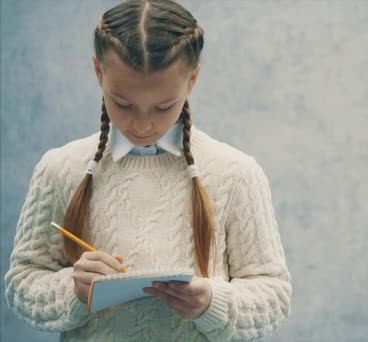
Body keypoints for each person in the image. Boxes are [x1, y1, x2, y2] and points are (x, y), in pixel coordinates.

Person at [3, 0, 292, 341]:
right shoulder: (60, 169)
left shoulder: (236, 173)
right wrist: (74, 290)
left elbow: (274, 294)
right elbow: (22, 283)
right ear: (98, 73)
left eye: (163, 106)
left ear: (193, 79)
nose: (142, 124)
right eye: (122, 103)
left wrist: (212, 302)